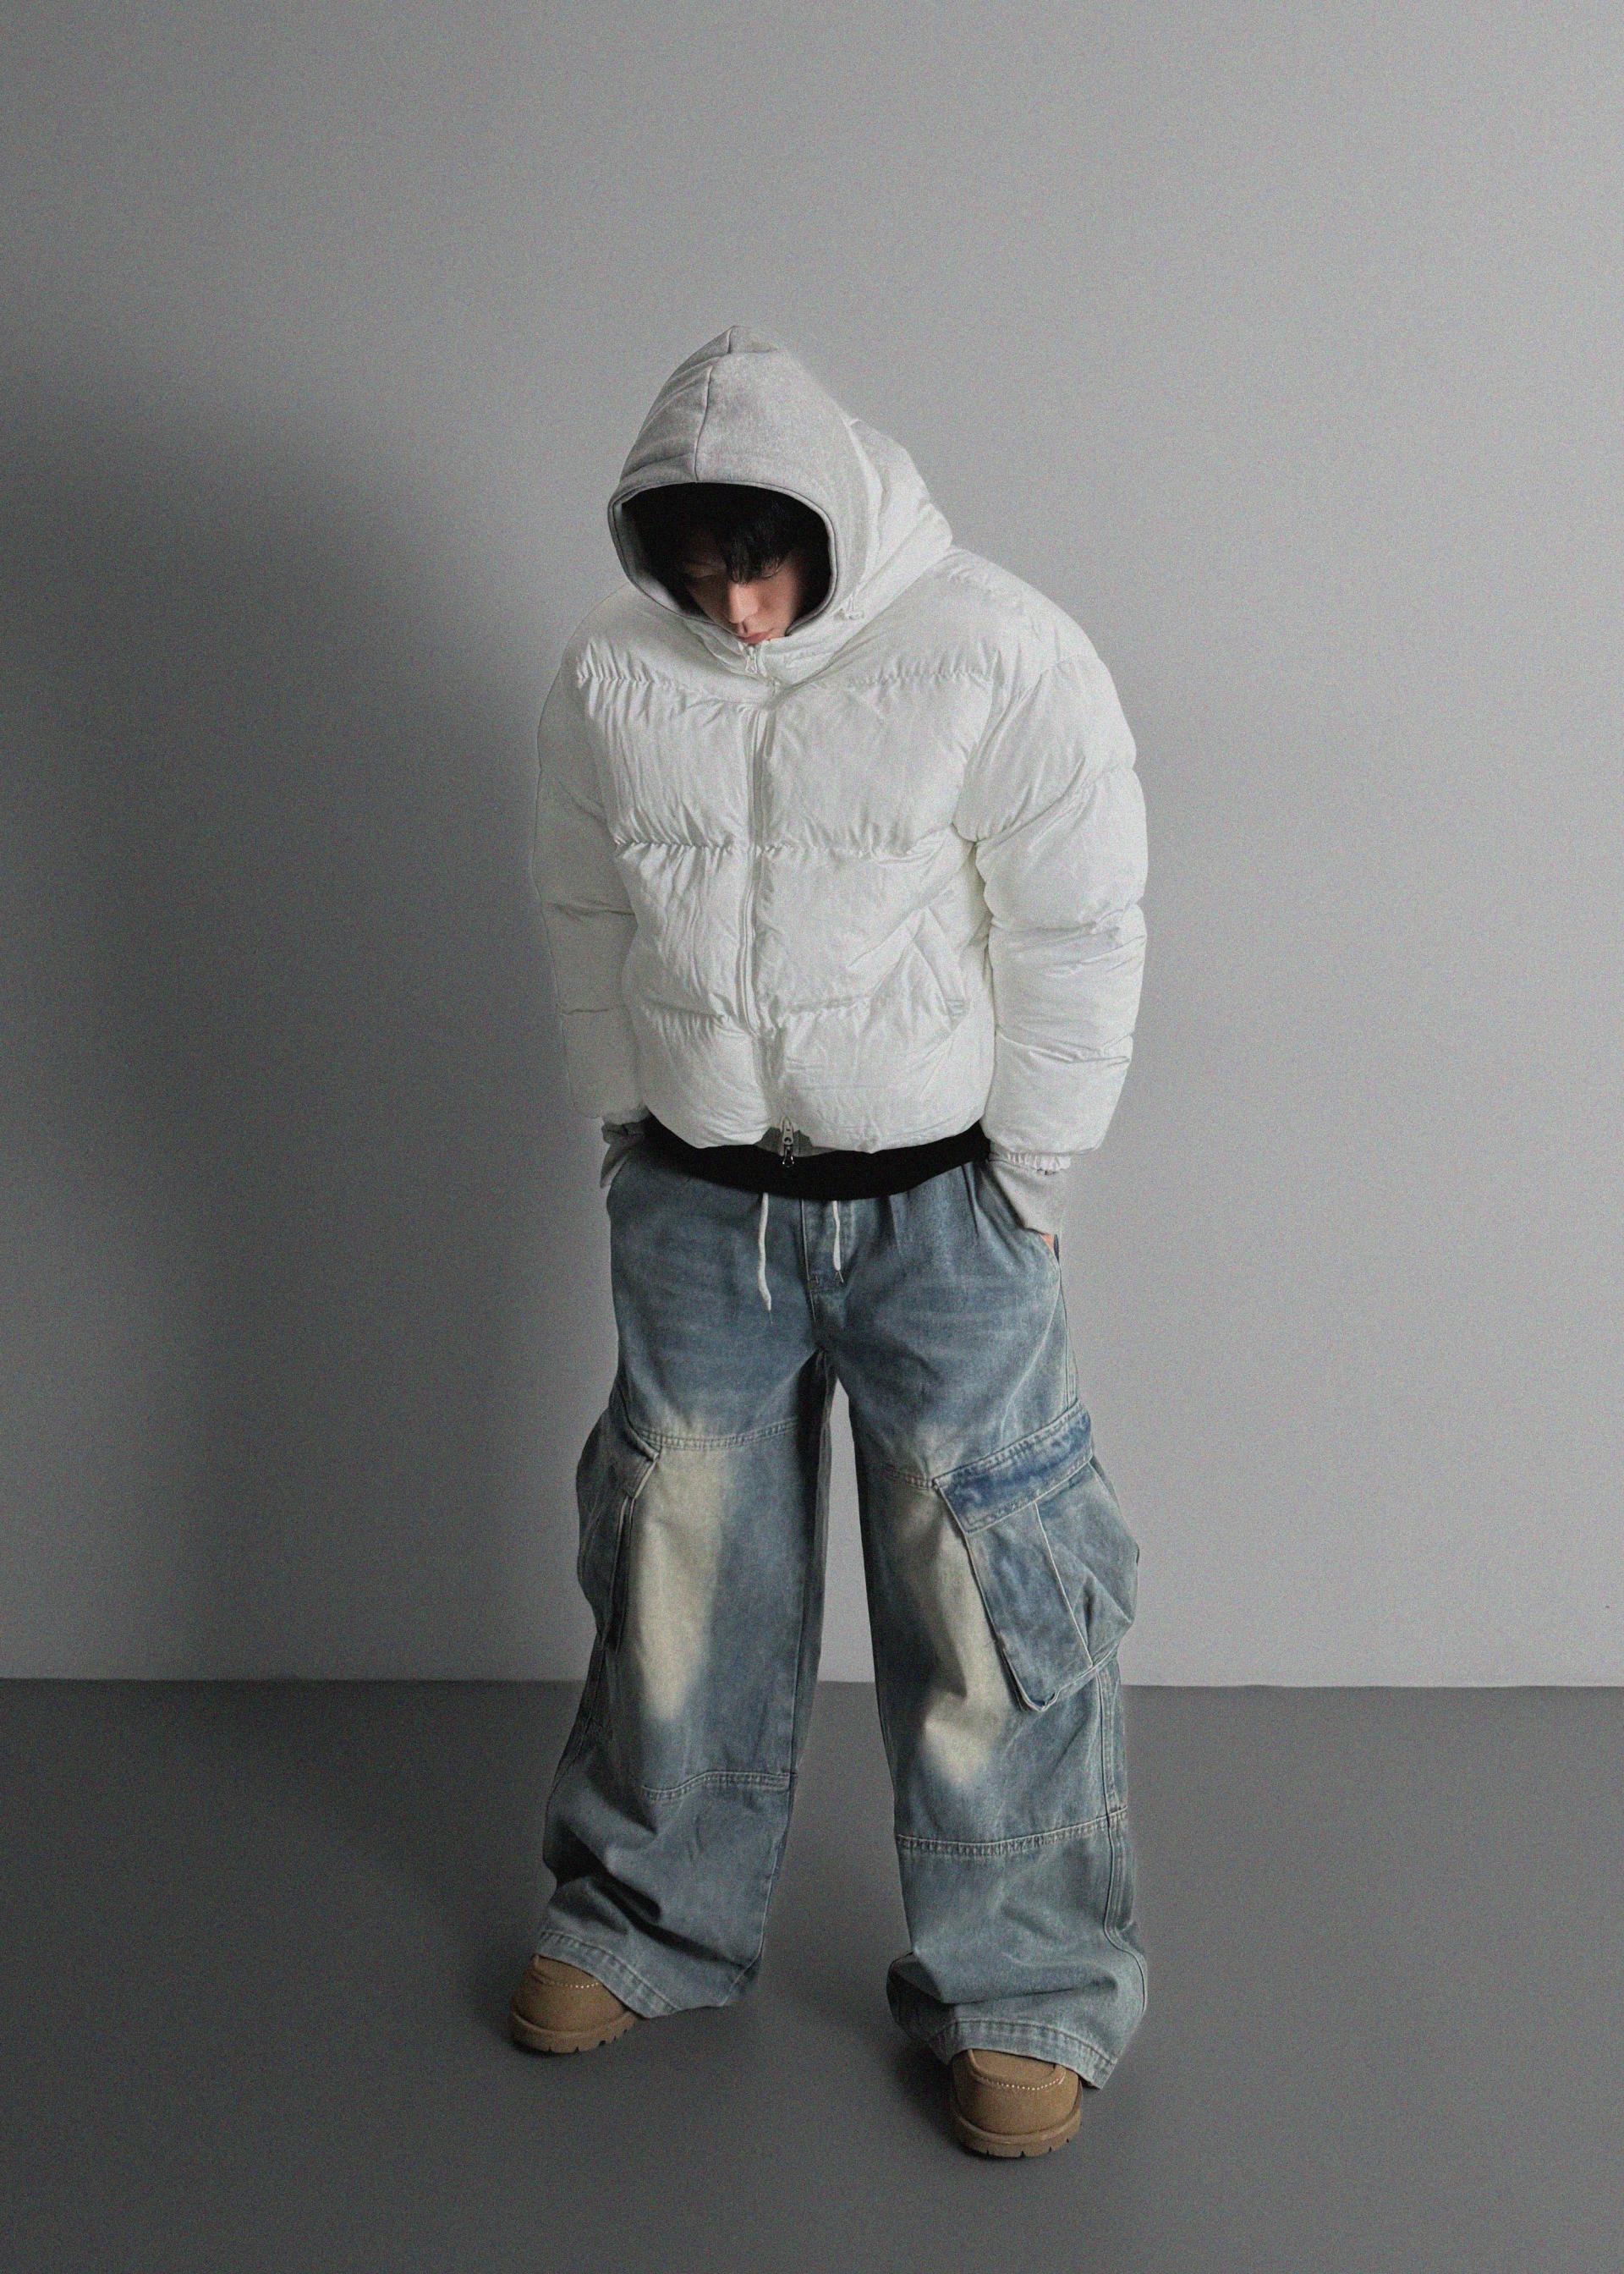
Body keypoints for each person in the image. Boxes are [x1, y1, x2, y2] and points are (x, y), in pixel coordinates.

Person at [513, 325, 1149, 2157]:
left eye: (764, 557)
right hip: (701, 1200)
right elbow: (583, 904)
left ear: (831, 519)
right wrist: (626, 1124)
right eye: (696, 564)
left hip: (939, 1208)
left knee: (985, 1582)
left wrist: (1032, 1179)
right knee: (677, 1563)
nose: (737, 604)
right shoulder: (610, 671)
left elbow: (1079, 923)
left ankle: (1027, 1982)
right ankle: (641, 1918)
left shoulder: (999, 647)